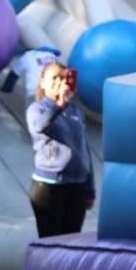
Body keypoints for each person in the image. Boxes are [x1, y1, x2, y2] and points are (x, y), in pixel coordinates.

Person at [25, 60, 96, 238]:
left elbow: (84, 148)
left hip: (77, 186)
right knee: (51, 241)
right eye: (54, 78)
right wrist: (59, 103)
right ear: (43, 82)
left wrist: (90, 187)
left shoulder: (75, 111)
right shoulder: (37, 109)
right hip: (50, 186)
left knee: (70, 241)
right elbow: (41, 126)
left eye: (63, 78)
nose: (59, 82)